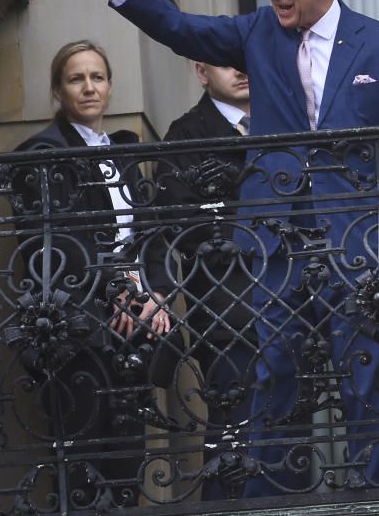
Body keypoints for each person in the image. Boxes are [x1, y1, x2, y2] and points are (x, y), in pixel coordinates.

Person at [62, 0, 379, 494]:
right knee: (275, 371)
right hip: (274, 237)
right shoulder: (258, 31)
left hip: (358, 237)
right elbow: (180, 29)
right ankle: (274, 499)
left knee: (366, 369)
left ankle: (375, 497)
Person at [11, 40, 174, 508]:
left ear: (109, 86)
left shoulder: (123, 154)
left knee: (129, 458)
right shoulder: (41, 153)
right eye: (76, 78)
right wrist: (116, 288)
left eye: (97, 77)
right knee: (83, 465)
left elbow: (153, 235)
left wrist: (158, 294)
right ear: (58, 91)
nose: (89, 87)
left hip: (137, 320)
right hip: (78, 326)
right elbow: (54, 246)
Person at [162, 62, 257, 500]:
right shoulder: (187, 134)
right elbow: (184, 226)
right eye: (225, 62)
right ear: (202, 72)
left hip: (292, 306)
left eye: (244, 58)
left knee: (288, 438)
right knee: (231, 437)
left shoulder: (281, 119)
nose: (240, 69)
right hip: (227, 314)